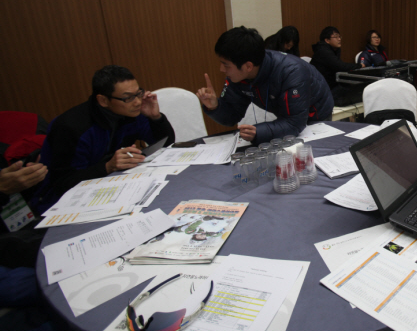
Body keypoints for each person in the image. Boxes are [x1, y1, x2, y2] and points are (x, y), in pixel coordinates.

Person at [33, 65, 175, 212]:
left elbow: (166, 144)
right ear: (103, 100)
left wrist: (155, 118)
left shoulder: (131, 113)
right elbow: (62, 183)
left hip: (110, 186)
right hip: (62, 203)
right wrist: (107, 167)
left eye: (138, 93)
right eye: (128, 98)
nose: (138, 102)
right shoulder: (72, 127)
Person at [197, 26, 333, 144]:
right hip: (291, 116)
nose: (221, 69)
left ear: (248, 66)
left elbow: (294, 123)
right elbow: (232, 116)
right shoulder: (239, 76)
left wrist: (258, 132)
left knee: (311, 154)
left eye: (226, 65)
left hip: (316, 112)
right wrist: (215, 107)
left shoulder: (291, 72)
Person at [310, 26, 365, 106]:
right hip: (322, 88)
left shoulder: (334, 50)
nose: (339, 39)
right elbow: (340, 66)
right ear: (327, 40)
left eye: (339, 37)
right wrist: (359, 65)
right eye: (336, 37)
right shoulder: (323, 51)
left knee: (355, 90)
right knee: (353, 93)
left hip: (331, 84)